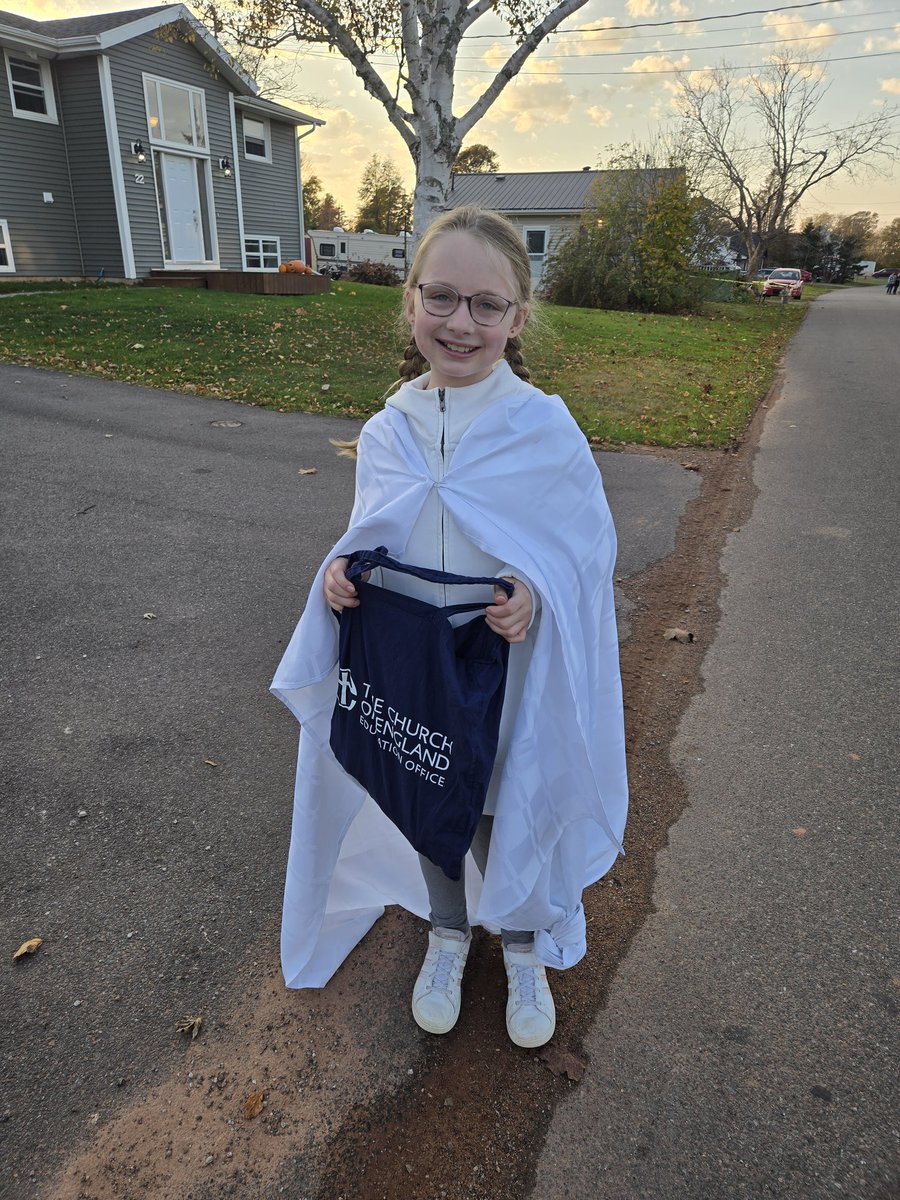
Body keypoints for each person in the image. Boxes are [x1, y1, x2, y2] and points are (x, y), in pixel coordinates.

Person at [271, 206, 628, 1050]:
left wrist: (535, 594)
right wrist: (337, 576)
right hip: (414, 667)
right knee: (428, 790)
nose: (460, 323)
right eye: (442, 298)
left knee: (506, 803)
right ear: (411, 301)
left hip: (506, 670)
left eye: (486, 305)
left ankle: (522, 942)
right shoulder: (390, 428)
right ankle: (448, 931)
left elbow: (583, 554)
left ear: (517, 316)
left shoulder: (544, 429)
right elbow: (372, 533)